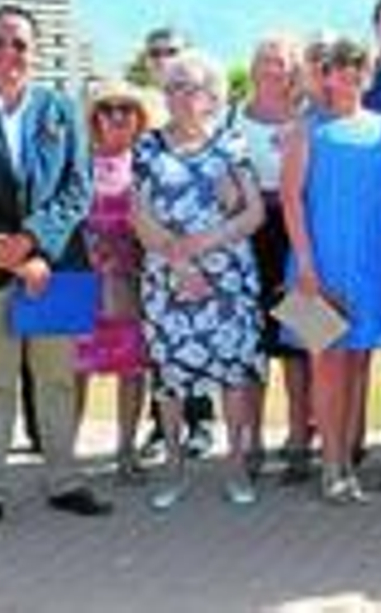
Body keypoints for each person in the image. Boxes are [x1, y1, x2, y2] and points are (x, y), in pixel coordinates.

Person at [0, 4, 112, 538]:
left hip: (55, 266)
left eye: (20, 45)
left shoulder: (60, 109)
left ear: (36, 53)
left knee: (56, 380)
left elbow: (78, 187)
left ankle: (63, 482)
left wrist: (33, 243)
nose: (9, 54)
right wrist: (0, 244)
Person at [132, 51, 268, 511]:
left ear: (211, 96)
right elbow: (140, 216)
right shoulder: (148, 147)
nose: (180, 97)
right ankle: (173, 468)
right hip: (168, 278)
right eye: (172, 88)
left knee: (232, 375)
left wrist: (208, 242)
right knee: (169, 379)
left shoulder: (231, 144)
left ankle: (234, 467)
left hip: (226, 277)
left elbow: (254, 212)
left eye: (190, 87)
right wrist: (179, 261)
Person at [281, 37, 381, 503]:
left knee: (358, 363)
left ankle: (348, 459)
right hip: (314, 266)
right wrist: (306, 264)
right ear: (324, 75)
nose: (350, 75)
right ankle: (330, 466)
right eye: (340, 67)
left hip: (370, 262)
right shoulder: (304, 130)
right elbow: (291, 199)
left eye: (359, 68)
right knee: (324, 366)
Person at [134, 25, 216, 461]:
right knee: (160, 339)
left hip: (206, 247)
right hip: (155, 246)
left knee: (202, 331)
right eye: (156, 52)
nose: (164, 57)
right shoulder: (141, 112)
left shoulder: (208, 115)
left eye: (173, 51)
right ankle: (160, 426)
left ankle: (201, 421)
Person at [72, 81, 157, 485]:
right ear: (95, 118)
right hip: (81, 281)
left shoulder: (149, 164)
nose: (118, 115)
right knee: (75, 370)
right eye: (109, 108)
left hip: (130, 279)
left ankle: (126, 452)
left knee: (132, 369)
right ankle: (64, 455)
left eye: (128, 108)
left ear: (140, 119)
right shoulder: (76, 163)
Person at [240, 35, 316, 483]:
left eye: (283, 63)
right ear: (254, 68)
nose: (274, 70)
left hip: (295, 238)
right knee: (252, 346)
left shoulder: (306, 120)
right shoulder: (232, 119)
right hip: (248, 240)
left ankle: (299, 440)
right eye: (266, 61)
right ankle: (251, 441)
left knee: (299, 346)